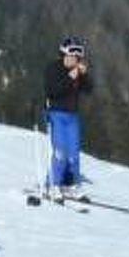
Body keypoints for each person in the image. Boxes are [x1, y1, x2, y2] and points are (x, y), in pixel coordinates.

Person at [42, 36, 94, 201]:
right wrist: (70, 77)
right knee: (60, 152)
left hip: (72, 116)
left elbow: (89, 89)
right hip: (56, 114)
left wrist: (84, 75)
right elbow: (53, 91)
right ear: (63, 54)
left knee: (74, 153)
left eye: (77, 57)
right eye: (71, 56)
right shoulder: (53, 69)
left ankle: (70, 185)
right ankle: (53, 184)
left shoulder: (77, 71)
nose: (74, 59)